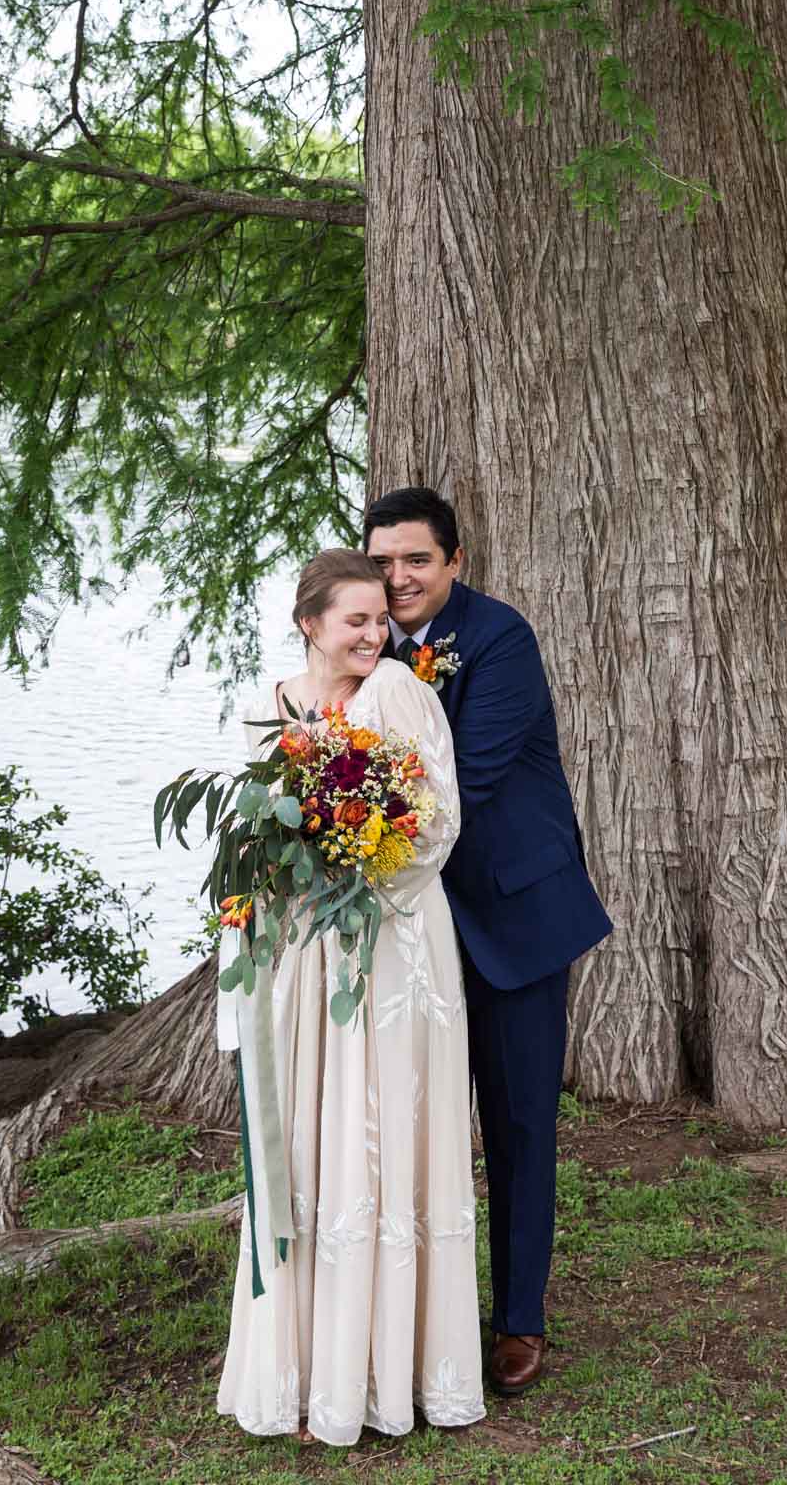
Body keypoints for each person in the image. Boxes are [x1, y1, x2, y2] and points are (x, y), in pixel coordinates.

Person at [216, 548, 485, 1447]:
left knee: (386, 1129)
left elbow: (438, 821)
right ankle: (305, 1366)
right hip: (303, 958)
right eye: (356, 621)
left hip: (395, 947)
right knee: (314, 1132)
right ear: (310, 624)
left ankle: (392, 1369)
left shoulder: (401, 694)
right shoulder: (274, 705)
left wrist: (357, 857)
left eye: (383, 619)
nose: (377, 635)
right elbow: (249, 842)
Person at [365, 487, 612, 1397]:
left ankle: (517, 1319)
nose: (398, 579)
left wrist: (348, 814)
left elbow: (457, 780)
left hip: (512, 917)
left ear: (454, 562)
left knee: (516, 1124)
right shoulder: (361, 643)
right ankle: (419, 1313)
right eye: (383, 561)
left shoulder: (501, 639)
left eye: (416, 561)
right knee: (406, 1125)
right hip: (407, 931)